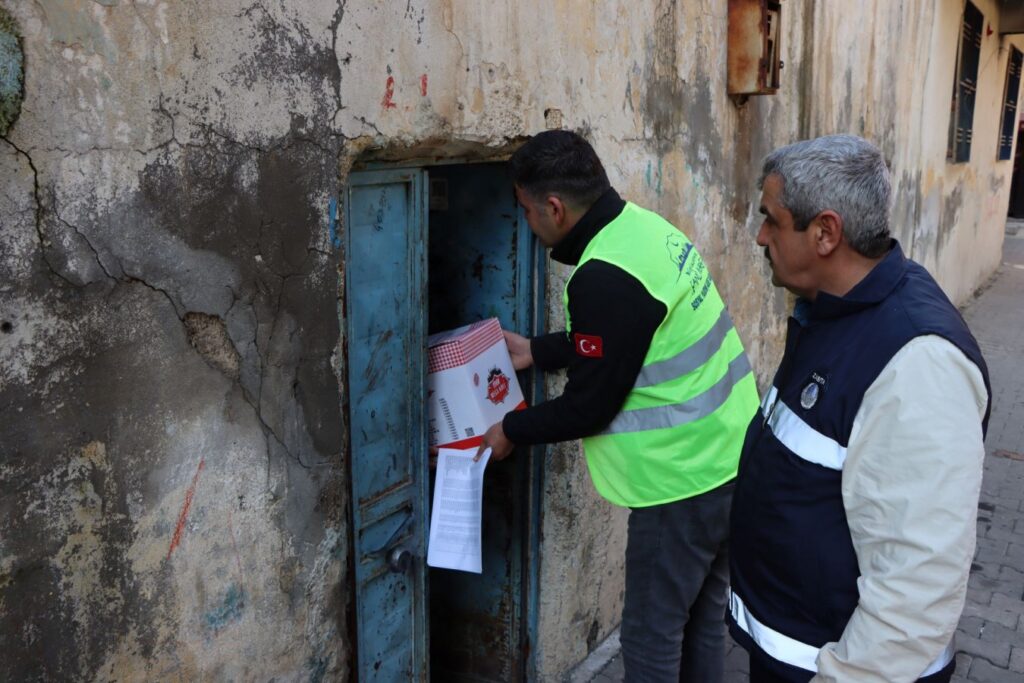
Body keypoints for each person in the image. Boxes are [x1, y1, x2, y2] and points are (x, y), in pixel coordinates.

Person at [477, 130, 760, 682]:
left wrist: (510, 427)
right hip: (732, 456)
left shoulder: (604, 277)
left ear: (555, 207)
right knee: (702, 620)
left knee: (650, 637)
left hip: (680, 482)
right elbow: (621, 340)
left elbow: (589, 406)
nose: (528, 225)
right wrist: (537, 350)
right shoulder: (643, 232)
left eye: (528, 212)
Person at [727, 134, 991, 683]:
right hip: (790, 651)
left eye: (772, 220)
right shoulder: (832, 311)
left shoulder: (919, 363)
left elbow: (917, 585)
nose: (760, 237)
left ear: (825, 232)